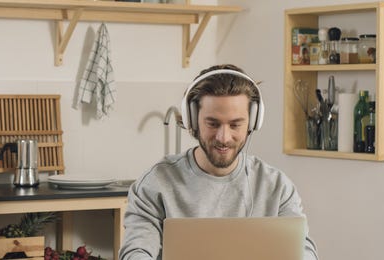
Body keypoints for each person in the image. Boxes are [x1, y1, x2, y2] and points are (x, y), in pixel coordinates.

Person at [119, 64, 319, 260]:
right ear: (192, 119)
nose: (223, 137)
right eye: (213, 123)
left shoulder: (276, 186)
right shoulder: (156, 184)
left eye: (235, 125)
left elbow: (303, 251)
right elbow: (136, 251)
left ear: (253, 122)